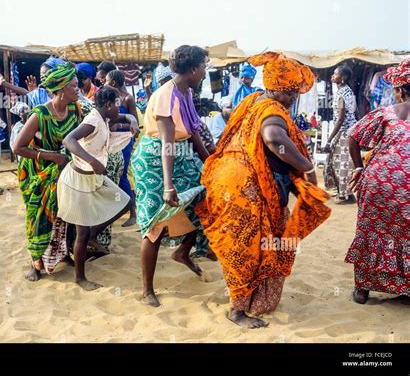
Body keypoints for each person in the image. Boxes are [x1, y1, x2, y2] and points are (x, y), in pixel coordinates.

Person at [196, 52, 332, 329]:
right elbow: (272, 139)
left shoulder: (254, 99)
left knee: (251, 245)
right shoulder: (272, 111)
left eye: (295, 93)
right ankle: (237, 311)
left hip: (230, 181)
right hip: (246, 189)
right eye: (290, 92)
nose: (293, 98)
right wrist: (307, 166)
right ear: (278, 88)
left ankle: (247, 300)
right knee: (249, 249)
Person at [132, 45, 211, 307]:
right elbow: (167, 143)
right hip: (157, 160)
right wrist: (167, 186)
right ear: (192, 69)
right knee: (156, 224)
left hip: (181, 155)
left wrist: (210, 165)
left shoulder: (186, 92)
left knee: (203, 203)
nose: (205, 70)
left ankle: (183, 252)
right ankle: (147, 291)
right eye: (203, 66)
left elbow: (194, 132)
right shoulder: (166, 96)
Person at [58, 86, 138, 290]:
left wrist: (133, 121)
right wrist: (93, 161)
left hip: (91, 179)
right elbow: (69, 140)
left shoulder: (105, 117)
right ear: (109, 104)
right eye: (117, 104)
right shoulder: (93, 120)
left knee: (125, 202)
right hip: (77, 181)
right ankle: (80, 278)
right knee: (81, 232)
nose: (118, 109)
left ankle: (95, 235)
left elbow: (126, 117)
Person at [345, 58, 410, 304]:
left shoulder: (386, 113)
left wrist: (359, 167)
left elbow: (353, 136)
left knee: (371, 233)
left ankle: (363, 290)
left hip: (379, 185)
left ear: (401, 90)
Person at [13, 63, 82, 282]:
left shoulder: (75, 109)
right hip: (38, 171)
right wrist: (52, 157)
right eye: (73, 86)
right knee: (39, 216)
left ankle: (62, 253)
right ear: (61, 89)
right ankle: (36, 261)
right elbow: (18, 148)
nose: (78, 89)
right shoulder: (40, 115)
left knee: (65, 212)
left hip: (64, 168)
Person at [105, 70, 139, 227]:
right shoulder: (113, 98)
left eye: (105, 80)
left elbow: (135, 123)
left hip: (125, 140)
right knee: (115, 175)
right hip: (112, 140)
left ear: (113, 83)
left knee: (122, 174)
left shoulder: (128, 98)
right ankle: (120, 208)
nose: (103, 84)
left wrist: (120, 125)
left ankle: (133, 213)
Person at [323, 65, 357, 202]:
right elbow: (354, 112)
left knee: (341, 164)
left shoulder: (343, 93)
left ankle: (346, 195)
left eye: (335, 74)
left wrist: (329, 140)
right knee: (337, 163)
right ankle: (344, 193)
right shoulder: (347, 91)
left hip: (345, 132)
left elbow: (341, 118)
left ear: (342, 78)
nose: (332, 76)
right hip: (347, 131)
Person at [0, 56, 65, 107]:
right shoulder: (41, 93)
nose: (42, 77)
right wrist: (3, 83)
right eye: (41, 75)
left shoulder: (67, 93)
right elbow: (25, 92)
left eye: (45, 73)